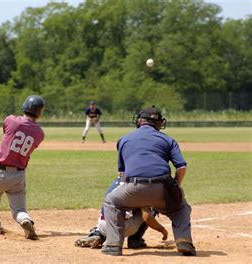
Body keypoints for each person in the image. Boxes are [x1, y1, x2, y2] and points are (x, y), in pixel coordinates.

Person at [101, 106, 195, 256]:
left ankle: (113, 245)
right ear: (158, 123)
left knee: (111, 202)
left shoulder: (124, 140)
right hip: (163, 189)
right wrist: (176, 186)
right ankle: (184, 241)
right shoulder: (168, 140)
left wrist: (139, 198)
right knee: (181, 208)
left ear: (139, 121)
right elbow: (181, 168)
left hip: (134, 186)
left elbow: (122, 174)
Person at [0, 95, 45, 240]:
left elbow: (8, 137)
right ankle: (25, 220)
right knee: (19, 209)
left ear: (25, 106)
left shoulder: (10, 120)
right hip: (18, 176)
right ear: (39, 112)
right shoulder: (39, 134)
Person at [75, 176, 168, 249]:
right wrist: (162, 230)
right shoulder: (137, 183)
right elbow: (146, 217)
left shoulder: (117, 180)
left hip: (103, 225)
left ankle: (98, 234)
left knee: (112, 208)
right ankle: (135, 240)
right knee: (150, 207)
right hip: (123, 228)